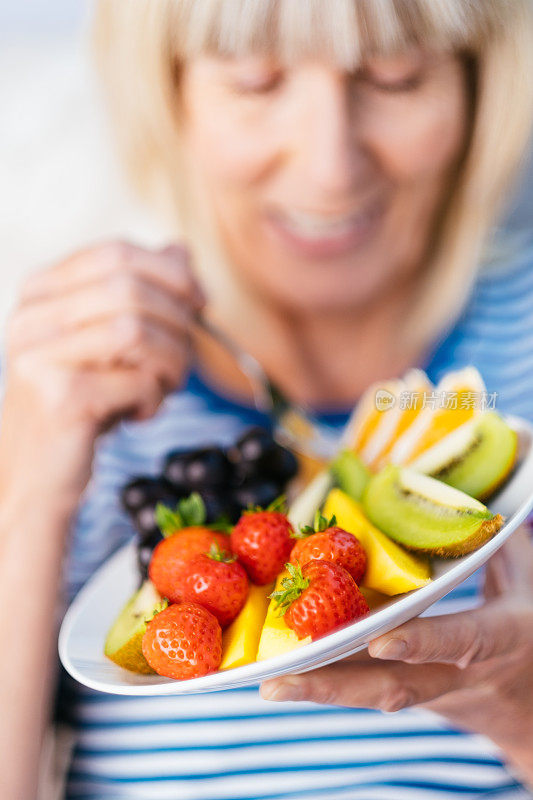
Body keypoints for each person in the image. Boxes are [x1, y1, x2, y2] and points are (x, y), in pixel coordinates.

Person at [1, 1, 533, 798]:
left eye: (395, 76)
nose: (329, 167)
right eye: (255, 81)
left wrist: (522, 711)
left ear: (479, 83)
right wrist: (31, 488)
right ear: (167, 91)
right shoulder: (81, 398)